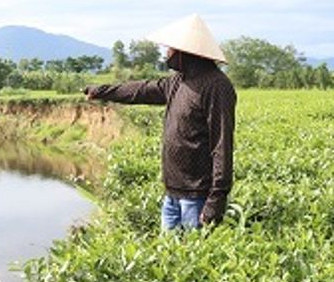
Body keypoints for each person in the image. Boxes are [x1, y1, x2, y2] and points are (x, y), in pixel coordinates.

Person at [84, 14, 236, 230]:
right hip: (172, 194)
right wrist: (101, 91)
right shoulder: (178, 82)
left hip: (197, 198)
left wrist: (216, 199)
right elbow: (140, 90)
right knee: (169, 259)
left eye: (171, 49)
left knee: (192, 259)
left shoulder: (216, 86)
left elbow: (222, 146)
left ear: (186, 51)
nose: (167, 54)